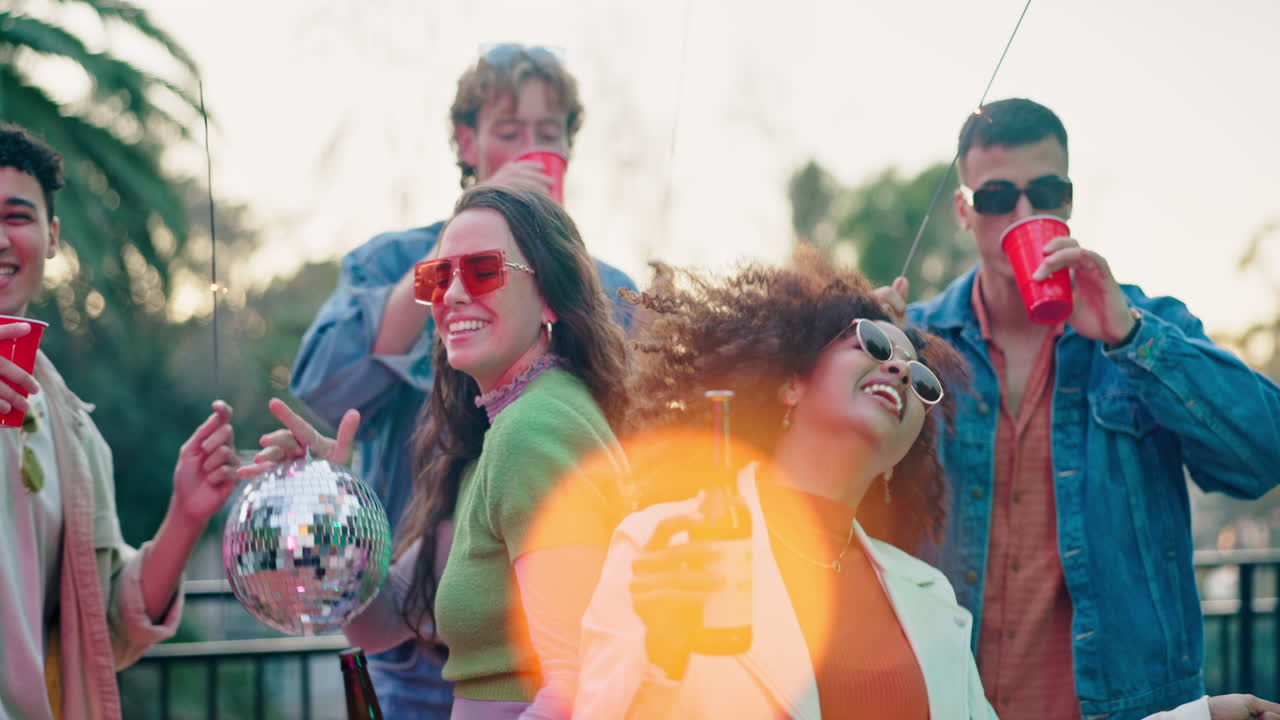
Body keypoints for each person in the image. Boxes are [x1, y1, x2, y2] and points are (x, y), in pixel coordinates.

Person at [876, 98, 1280, 720]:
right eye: (995, 198)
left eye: (1045, 191)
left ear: (1069, 201)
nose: (1023, 213)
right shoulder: (915, 343)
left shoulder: (1147, 325)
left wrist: (1128, 336)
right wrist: (855, 355)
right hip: (946, 704)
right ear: (963, 210)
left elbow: (1262, 455)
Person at [288, 45, 637, 716]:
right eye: (438, 280)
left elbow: (580, 683)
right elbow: (384, 617)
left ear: (553, 302)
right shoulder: (493, 430)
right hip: (415, 672)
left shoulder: (537, 426)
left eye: (484, 272)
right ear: (466, 141)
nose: (448, 297)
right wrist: (335, 512)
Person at [572, 253, 993, 718]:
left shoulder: (930, 596)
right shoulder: (665, 545)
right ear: (791, 383)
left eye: (920, 379)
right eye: (872, 344)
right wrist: (662, 659)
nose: (899, 370)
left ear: (902, 457)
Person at [0, 125, 239, 719]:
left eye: (17, 216)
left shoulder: (74, 435)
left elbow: (101, 635)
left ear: (52, 237)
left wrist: (185, 515)